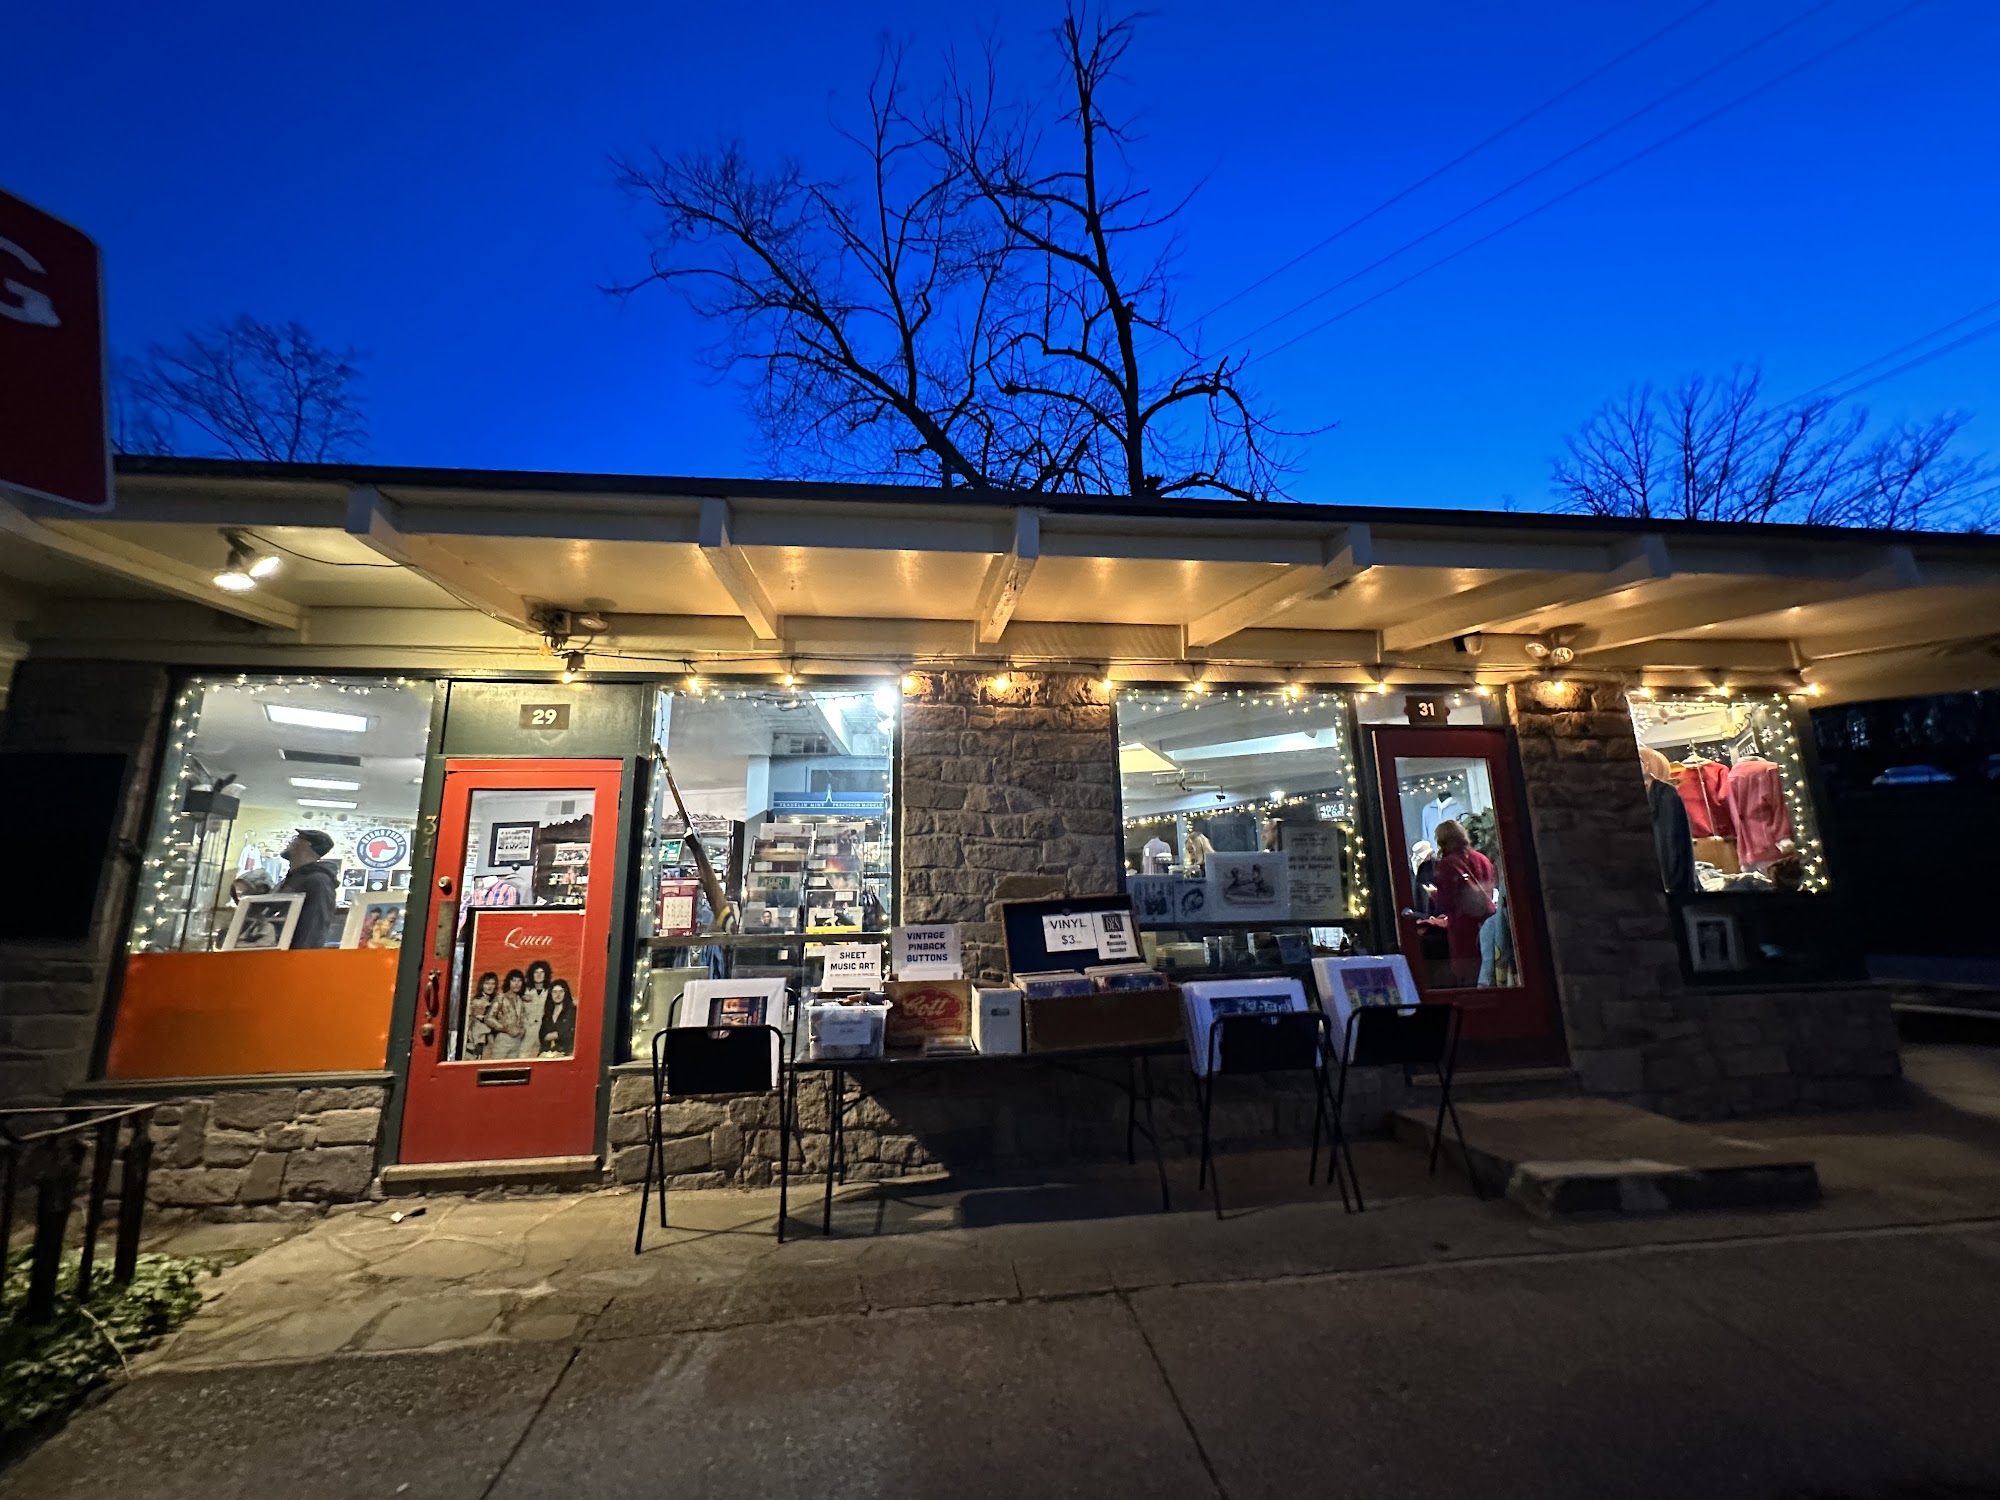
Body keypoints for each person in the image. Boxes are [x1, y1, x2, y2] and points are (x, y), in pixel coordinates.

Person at [1430, 819, 1495, 986]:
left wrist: (1434, 895)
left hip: (1462, 928)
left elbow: (1446, 901)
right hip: (1486, 923)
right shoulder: (1483, 859)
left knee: (1467, 979)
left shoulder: (1447, 864)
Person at [278, 830, 340, 949]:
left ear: (307, 845)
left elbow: (315, 925)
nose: (291, 842)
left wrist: (300, 956)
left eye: (297, 838)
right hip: (277, 952)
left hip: (292, 954)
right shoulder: (292, 880)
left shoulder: (319, 881)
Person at [484, 970, 530, 1060]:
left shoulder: (520, 1000)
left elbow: (522, 1019)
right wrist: (506, 1028)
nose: (516, 984)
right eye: (514, 981)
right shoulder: (501, 998)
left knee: (512, 1067)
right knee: (497, 1066)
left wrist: (522, 1030)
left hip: (517, 1041)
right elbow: (488, 1018)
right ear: (508, 982)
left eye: (519, 981)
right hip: (503, 1039)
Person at [464, 971, 500, 1060]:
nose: (490, 986)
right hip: (478, 1040)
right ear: (482, 985)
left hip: (491, 1040)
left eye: (492, 984)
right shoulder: (477, 1002)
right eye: (487, 983)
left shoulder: (496, 1000)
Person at [538, 978, 578, 1057]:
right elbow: (542, 1035)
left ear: (565, 993)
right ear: (551, 994)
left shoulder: (572, 1011)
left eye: (561, 991)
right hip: (547, 1054)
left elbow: (574, 1033)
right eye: (555, 992)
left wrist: (557, 1035)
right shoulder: (548, 1014)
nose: (558, 995)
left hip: (566, 1054)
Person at [522, 960, 553, 1029]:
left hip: (544, 1029)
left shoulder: (551, 992)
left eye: (542, 972)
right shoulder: (523, 991)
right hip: (526, 1028)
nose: (539, 975)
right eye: (536, 972)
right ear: (531, 974)